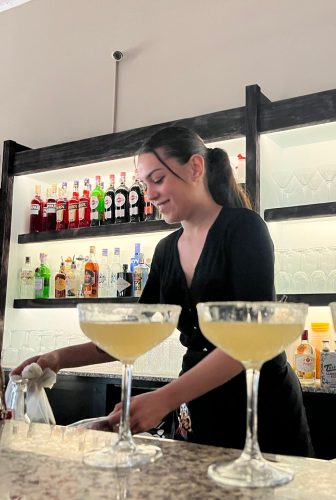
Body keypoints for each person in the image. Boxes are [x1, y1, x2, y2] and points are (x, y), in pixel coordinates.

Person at [13, 126, 314, 457]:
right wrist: (57, 359)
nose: (150, 194)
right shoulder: (166, 250)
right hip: (199, 403)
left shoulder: (244, 228)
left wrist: (165, 398)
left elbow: (250, 337)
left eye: (157, 179)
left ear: (195, 167)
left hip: (260, 403)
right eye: (145, 185)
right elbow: (134, 332)